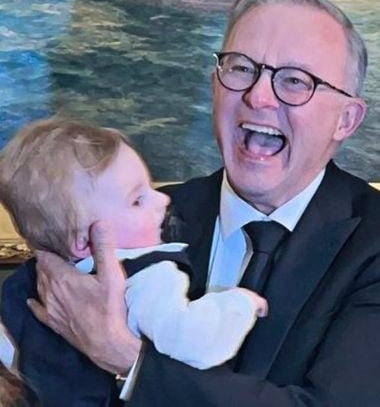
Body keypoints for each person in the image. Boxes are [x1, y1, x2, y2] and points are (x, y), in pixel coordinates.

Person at [28, 0, 380, 407]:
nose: (258, 96)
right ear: (215, 84)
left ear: (346, 120)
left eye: (295, 80)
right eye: (241, 68)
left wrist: (129, 362)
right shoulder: (131, 222)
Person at [0, 119, 270, 406]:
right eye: (137, 200)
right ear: (86, 240)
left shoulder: (26, 284)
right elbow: (192, 341)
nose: (162, 200)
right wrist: (239, 305)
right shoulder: (149, 277)